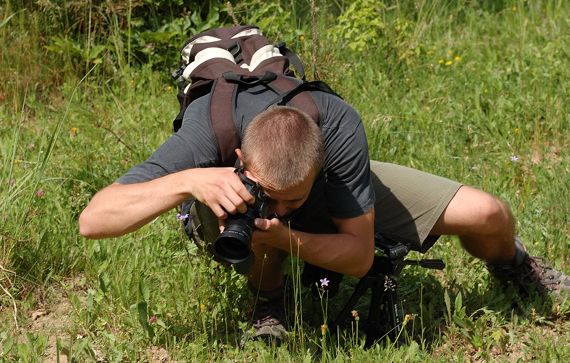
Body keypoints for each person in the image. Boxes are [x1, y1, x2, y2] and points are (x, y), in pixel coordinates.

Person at [79, 84, 569, 346]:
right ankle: (270, 303)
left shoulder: (339, 128)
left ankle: (514, 267)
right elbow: (92, 220)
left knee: (488, 213)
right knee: (249, 220)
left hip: (328, 181)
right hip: (222, 187)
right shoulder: (208, 132)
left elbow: (357, 257)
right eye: (271, 196)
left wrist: (288, 237)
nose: (282, 210)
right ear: (240, 163)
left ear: (322, 167)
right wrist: (187, 182)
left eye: (295, 200)